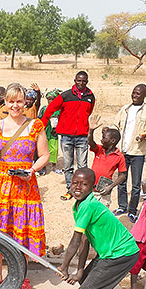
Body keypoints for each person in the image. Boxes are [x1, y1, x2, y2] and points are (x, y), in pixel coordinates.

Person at [0, 83, 50, 289]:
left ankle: (21, 277)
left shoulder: (36, 125)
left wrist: (33, 170)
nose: (15, 105)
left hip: (25, 186)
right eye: (11, 101)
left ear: (25, 102)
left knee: (22, 232)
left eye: (19, 101)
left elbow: (44, 155)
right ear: (5, 103)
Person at [59, 168, 140, 289]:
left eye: (83, 184)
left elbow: (75, 242)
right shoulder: (80, 205)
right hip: (113, 252)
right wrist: (79, 271)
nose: (78, 187)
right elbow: (86, 240)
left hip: (121, 253)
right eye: (75, 183)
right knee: (86, 280)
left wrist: (63, 267)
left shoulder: (88, 206)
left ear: (92, 187)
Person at [40, 71, 96, 201]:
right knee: (68, 165)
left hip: (82, 136)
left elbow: (89, 112)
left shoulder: (90, 96)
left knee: (83, 165)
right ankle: (70, 190)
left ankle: (83, 192)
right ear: (74, 80)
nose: (81, 83)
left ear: (87, 82)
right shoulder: (66, 95)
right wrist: (42, 124)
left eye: (84, 81)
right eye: (79, 80)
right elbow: (50, 109)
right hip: (66, 136)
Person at [112, 84, 146, 220]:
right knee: (121, 180)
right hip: (123, 151)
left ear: (145, 95)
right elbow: (115, 125)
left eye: (138, 94)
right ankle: (122, 206)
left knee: (136, 184)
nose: (135, 96)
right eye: (133, 93)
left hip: (138, 152)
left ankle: (132, 210)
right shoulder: (125, 109)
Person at [87, 125, 127, 209]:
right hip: (90, 188)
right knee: (89, 210)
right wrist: (91, 130)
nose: (101, 140)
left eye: (104, 138)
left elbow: (122, 176)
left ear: (112, 141)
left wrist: (110, 187)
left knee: (102, 213)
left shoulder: (119, 156)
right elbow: (90, 142)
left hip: (104, 190)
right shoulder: (99, 149)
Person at [38, 89, 61, 175]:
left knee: (54, 149)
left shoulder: (58, 110)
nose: (50, 101)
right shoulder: (44, 109)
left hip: (53, 133)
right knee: (43, 149)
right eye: (49, 99)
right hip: (44, 132)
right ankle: (43, 167)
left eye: (52, 99)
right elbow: (39, 119)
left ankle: (54, 166)